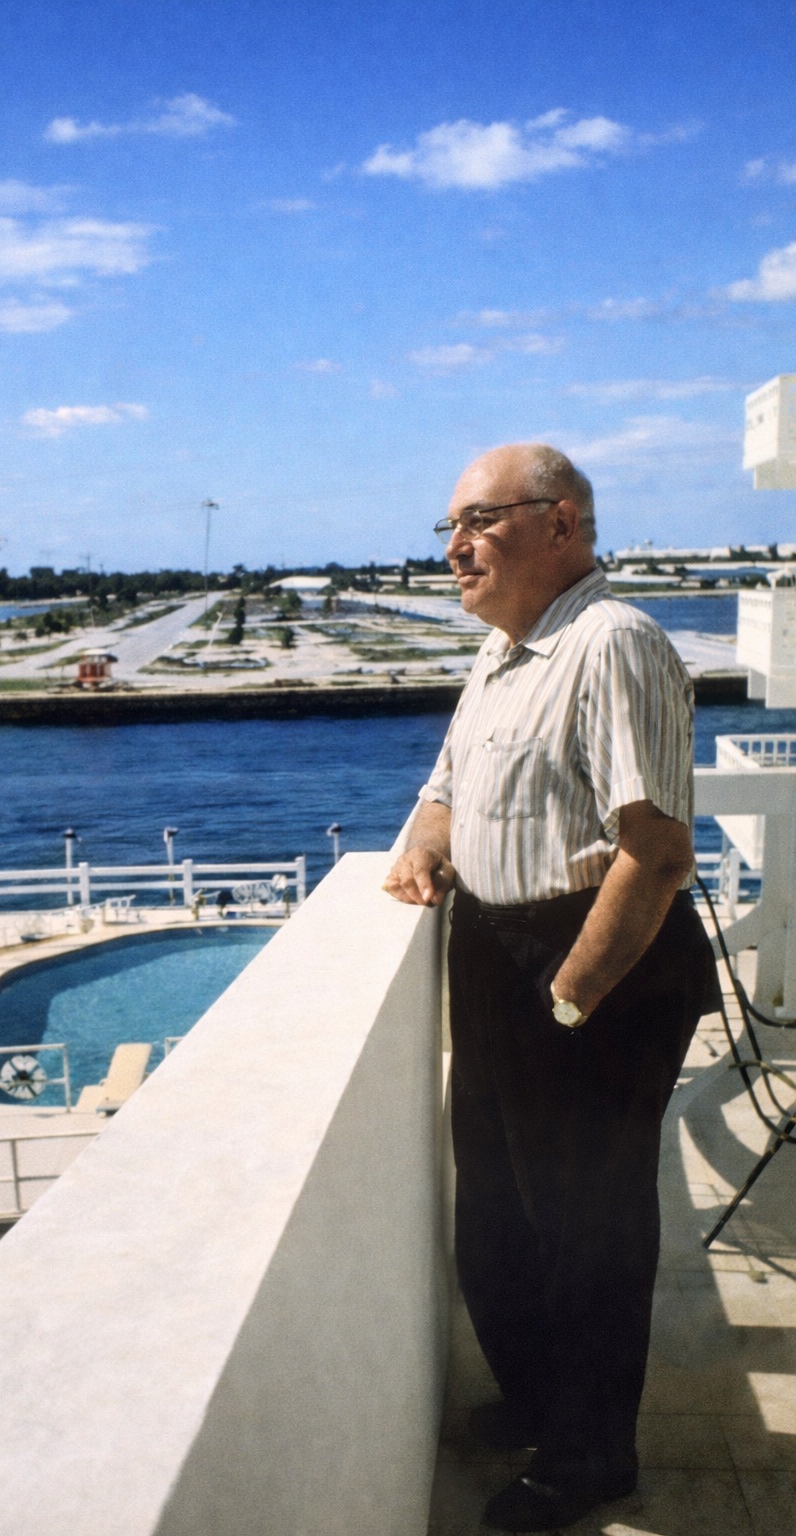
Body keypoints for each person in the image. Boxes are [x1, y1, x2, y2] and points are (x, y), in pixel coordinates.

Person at [384, 444, 718, 1534]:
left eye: (477, 520)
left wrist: (569, 1000)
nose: (454, 548)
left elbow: (656, 852)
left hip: (590, 963)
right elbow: (446, 784)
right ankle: (533, 1401)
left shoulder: (609, 642)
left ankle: (588, 1459)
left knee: (587, 1231)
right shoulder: (504, 651)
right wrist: (426, 846)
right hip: (493, 954)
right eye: (447, 527)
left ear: (560, 523)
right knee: (496, 1215)